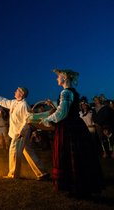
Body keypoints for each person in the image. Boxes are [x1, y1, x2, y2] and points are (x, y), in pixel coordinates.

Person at [40, 69, 104, 197]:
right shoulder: (71, 92)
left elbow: (62, 113)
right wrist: (53, 103)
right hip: (76, 126)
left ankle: (74, 187)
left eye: (58, 77)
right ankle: (80, 186)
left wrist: (47, 119)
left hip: (68, 128)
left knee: (68, 156)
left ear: (64, 78)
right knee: (79, 157)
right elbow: (67, 107)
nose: (56, 79)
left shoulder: (65, 92)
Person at [0, 87, 48, 180]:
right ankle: (42, 173)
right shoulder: (13, 102)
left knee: (13, 152)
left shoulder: (24, 105)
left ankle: (13, 174)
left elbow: (28, 120)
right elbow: (3, 101)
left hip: (20, 133)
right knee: (29, 152)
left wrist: (21, 132)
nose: (14, 92)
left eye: (17, 91)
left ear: (21, 94)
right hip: (17, 132)